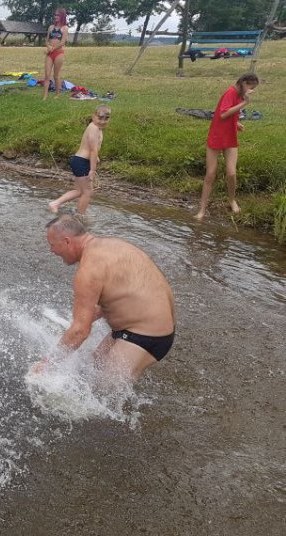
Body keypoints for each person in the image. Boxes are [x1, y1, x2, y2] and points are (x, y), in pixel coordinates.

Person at [34, 215, 176, 381]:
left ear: (67, 241)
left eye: (52, 245)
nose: (51, 251)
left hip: (145, 335)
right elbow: (123, 293)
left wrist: (47, 364)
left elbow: (80, 332)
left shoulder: (88, 270)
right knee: (92, 369)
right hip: (153, 328)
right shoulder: (113, 245)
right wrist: (82, 320)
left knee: (102, 391)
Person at [195, 73, 259, 220]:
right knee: (210, 174)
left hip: (230, 136)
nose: (251, 90)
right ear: (243, 83)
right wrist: (245, 103)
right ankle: (202, 210)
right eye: (251, 87)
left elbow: (230, 113)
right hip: (217, 136)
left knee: (231, 173)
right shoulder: (230, 92)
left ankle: (231, 200)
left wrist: (236, 123)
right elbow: (223, 114)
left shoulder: (239, 94)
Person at [48, 106, 110, 216]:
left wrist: (96, 157)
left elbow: (90, 147)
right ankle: (80, 217)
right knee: (87, 192)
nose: (102, 121)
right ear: (93, 116)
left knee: (79, 191)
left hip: (79, 161)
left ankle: (55, 203)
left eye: (106, 118)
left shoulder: (96, 128)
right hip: (82, 162)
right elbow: (93, 150)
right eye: (100, 118)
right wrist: (92, 170)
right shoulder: (94, 128)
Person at [42, 8, 68, 100]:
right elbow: (46, 40)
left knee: (56, 76)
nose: (55, 16)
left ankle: (57, 95)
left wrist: (52, 49)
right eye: (55, 15)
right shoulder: (51, 27)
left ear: (62, 16)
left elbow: (62, 42)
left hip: (59, 54)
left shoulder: (65, 28)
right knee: (47, 75)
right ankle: (45, 96)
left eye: (58, 15)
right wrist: (48, 46)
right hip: (49, 54)